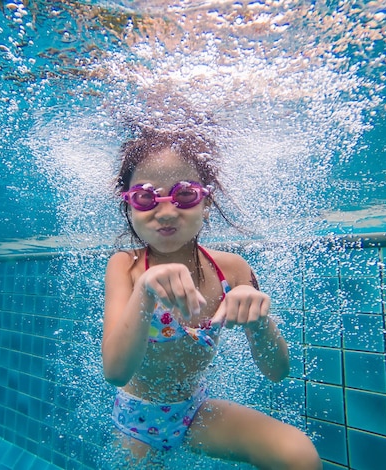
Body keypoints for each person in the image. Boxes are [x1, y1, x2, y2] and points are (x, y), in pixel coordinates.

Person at [102, 127, 322, 469]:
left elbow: (277, 371)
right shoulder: (126, 267)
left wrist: (260, 322)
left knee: (298, 455)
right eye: (145, 198)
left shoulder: (232, 270)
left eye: (185, 195)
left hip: (195, 411)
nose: (166, 212)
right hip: (137, 421)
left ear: (206, 202)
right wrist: (145, 290)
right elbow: (115, 372)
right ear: (128, 206)